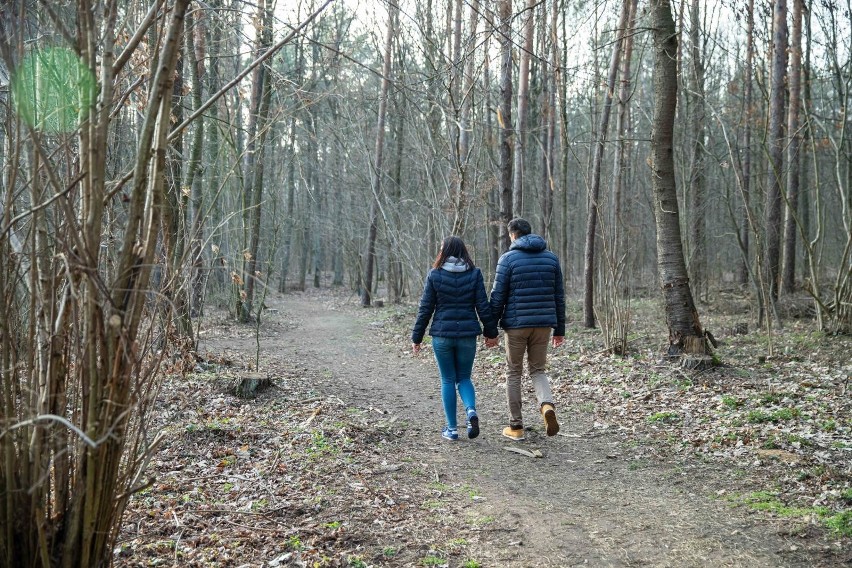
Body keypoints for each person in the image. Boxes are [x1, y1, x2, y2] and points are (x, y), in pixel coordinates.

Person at [412, 236, 498, 441]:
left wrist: (417, 336)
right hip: (467, 335)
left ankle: (451, 429)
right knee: (464, 378)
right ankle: (470, 412)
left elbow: (425, 309)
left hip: (442, 335)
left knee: (448, 380)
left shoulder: (435, 274)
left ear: (444, 252)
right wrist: (491, 333)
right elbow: (483, 306)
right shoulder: (474, 273)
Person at [489, 218, 565, 440]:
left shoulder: (508, 260)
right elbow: (559, 297)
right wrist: (559, 329)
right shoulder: (551, 259)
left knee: (514, 372)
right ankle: (546, 406)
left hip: (516, 326)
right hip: (543, 325)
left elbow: (497, 297)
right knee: (538, 370)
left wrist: (491, 329)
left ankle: (516, 426)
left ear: (513, 235)